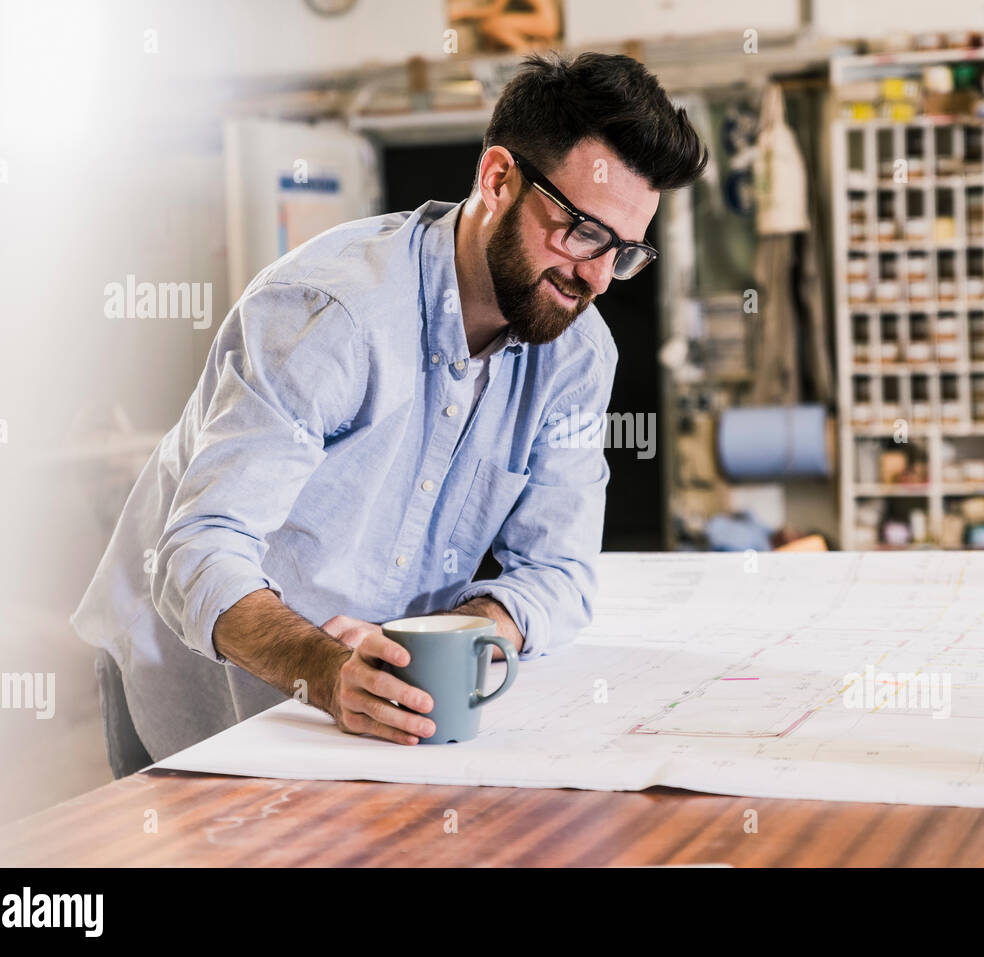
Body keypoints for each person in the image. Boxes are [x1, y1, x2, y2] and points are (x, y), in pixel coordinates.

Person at [73, 51, 708, 776]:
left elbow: (558, 570)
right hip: (190, 680)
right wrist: (327, 666)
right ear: (498, 178)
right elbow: (199, 551)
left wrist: (444, 638)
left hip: (367, 713)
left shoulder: (575, 353)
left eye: (624, 253)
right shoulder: (333, 312)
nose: (595, 276)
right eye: (583, 232)